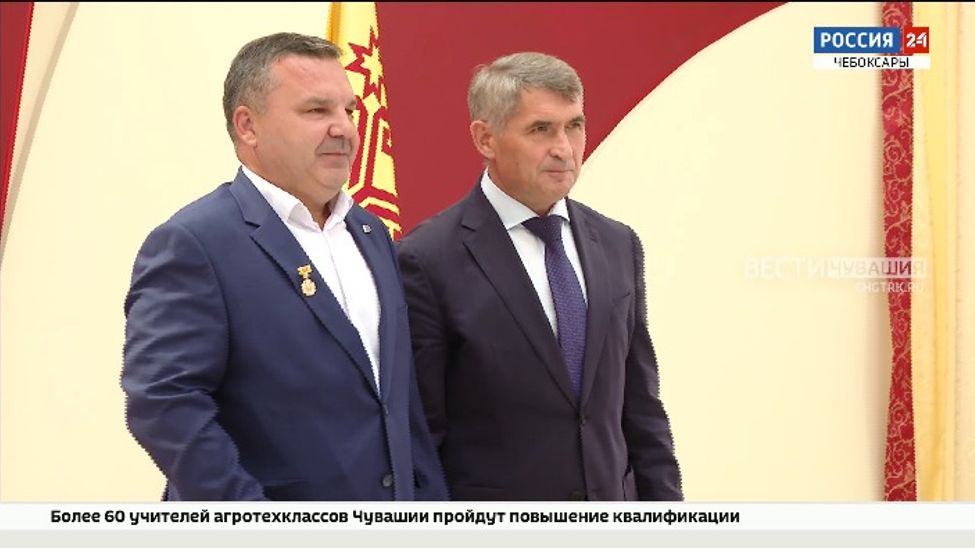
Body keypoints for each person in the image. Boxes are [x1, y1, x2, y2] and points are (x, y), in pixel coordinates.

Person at [121, 32, 446, 501]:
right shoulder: (196, 243)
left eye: (349, 111)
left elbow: (398, 404)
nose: (345, 129)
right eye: (317, 110)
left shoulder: (371, 233)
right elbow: (165, 403)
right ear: (248, 126)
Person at [397, 52, 682, 501]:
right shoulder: (427, 259)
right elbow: (420, 437)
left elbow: (641, 409)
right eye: (541, 130)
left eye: (575, 126)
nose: (564, 149)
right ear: (485, 138)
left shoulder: (617, 244)